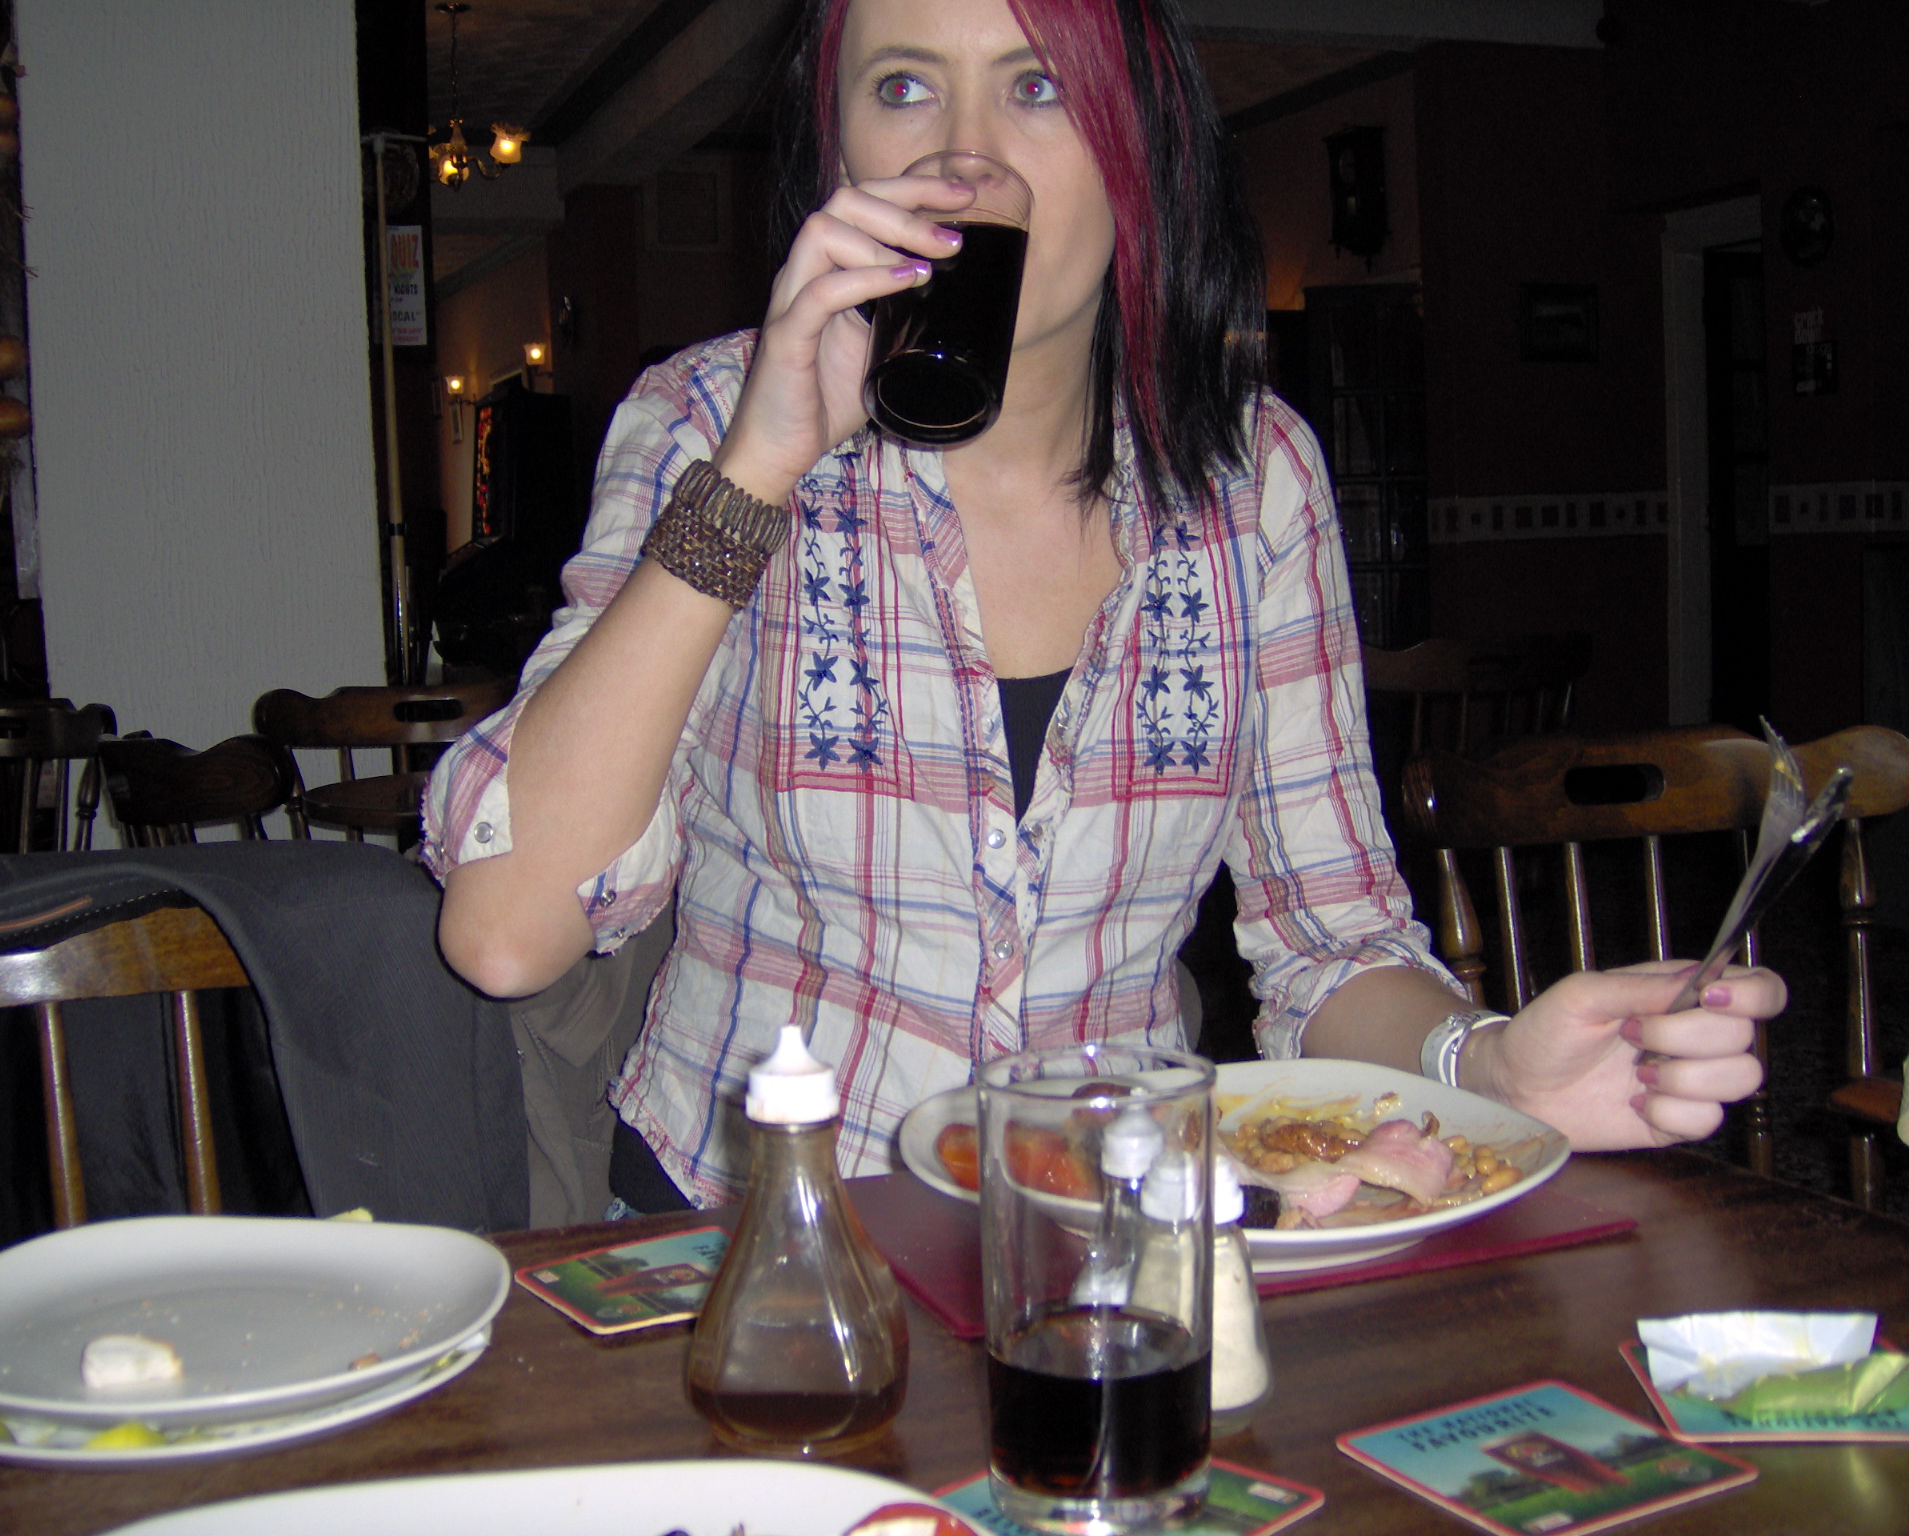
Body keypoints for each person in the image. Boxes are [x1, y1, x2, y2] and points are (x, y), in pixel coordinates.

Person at [423, 0, 1781, 1212]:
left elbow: (1330, 942)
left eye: (1039, 86)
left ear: (1145, 151)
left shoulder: (1255, 477)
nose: (967, 154)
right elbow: (504, 932)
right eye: (903, 86)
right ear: (837, 153)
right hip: (757, 1240)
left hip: (1111, 1235)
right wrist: (765, 468)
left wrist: (1487, 1064)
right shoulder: (706, 420)